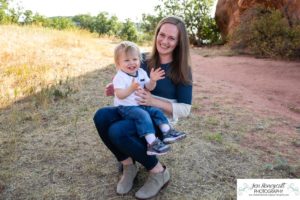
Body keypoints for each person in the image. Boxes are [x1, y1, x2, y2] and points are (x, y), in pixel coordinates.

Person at [93, 16, 193, 199]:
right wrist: (114, 87)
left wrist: (153, 101)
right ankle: (128, 165)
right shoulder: (143, 59)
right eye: (161, 35)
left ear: (179, 42)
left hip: (156, 118)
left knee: (117, 131)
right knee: (101, 116)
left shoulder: (182, 68)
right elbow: (128, 74)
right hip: (132, 108)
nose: (164, 41)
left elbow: (186, 109)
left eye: (171, 38)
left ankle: (158, 171)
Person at [112, 41, 187, 156]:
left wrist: (152, 80)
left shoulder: (141, 72)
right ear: (118, 63)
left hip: (141, 104)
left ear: (139, 60)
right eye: (126, 60)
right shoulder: (120, 77)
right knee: (143, 115)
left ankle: (167, 132)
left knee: (156, 111)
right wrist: (131, 88)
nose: (131, 63)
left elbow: (149, 87)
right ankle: (152, 143)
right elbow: (119, 95)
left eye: (135, 59)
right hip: (126, 107)